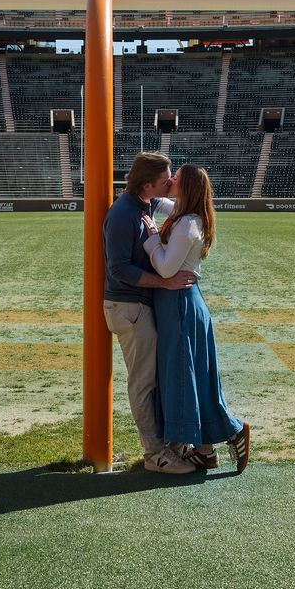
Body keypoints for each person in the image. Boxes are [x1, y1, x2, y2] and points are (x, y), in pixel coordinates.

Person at [142, 163, 250, 474]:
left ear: (186, 187)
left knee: (185, 375)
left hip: (180, 305)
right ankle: (205, 450)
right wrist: (143, 189)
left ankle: (231, 430)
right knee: (192, 376)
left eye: (175, 178)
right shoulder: (185, 213)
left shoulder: (189, 223)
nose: (170, 179)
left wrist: (151, 238)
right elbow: (160, 202)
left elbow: (165, 268)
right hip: (181, 305)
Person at [102, 152, 198, 475]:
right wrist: (164, 282)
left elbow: (187, 211)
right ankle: (153, 454)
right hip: (127, 306)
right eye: (164, 181)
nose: (170, 183)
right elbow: (118, 271)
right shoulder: (122, 214)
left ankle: (165, 445)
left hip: (139, 305)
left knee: (153, 378)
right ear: (147, 185)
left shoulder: (144, 204)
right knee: (143, 383)